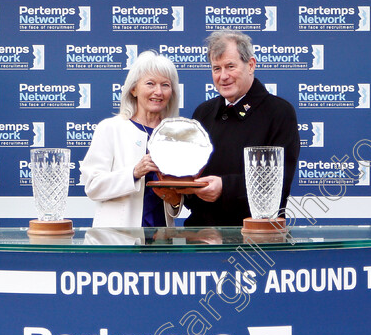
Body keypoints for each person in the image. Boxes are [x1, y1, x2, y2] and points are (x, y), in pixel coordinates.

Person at [181, 30, 299, 226]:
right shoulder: (203, 113)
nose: (223, 76)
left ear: (250, 65)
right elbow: (192, 177)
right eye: (216, 68)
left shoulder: (279, 113)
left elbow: (279, 183)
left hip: (253, 239)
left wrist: (225, 187)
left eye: (230, 66)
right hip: (200, 237)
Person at [80, 50, 183, 227]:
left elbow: (175, 201)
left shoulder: (175, 134)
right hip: (117, 241)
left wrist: (175, 201)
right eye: (150, 83)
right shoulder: (111, 128)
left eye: (165, 85)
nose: (158, 92)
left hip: (161, 240)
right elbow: (92, 186)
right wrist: (134, 172)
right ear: (133, 89)